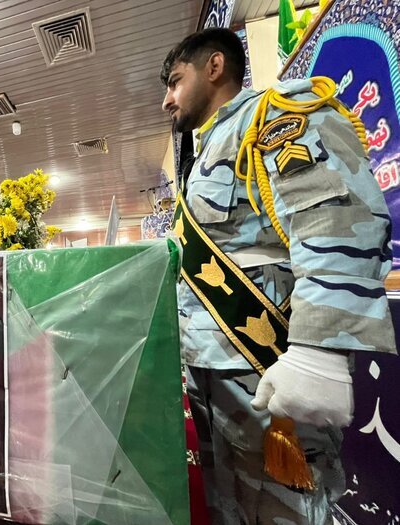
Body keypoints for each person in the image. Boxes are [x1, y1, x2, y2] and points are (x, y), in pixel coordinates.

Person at [160, 28, 396, 524]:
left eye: (175, 81)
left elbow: (336, 218)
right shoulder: (207, 149)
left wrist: (317, 353)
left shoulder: (276, 115)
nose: (167, 100)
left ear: (214, 67)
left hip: (268, 371)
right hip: (212, 378)